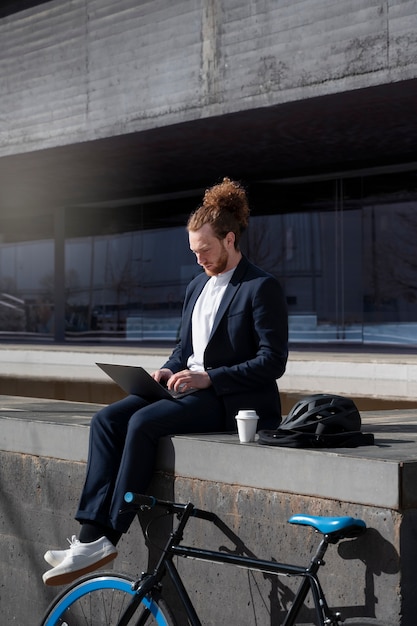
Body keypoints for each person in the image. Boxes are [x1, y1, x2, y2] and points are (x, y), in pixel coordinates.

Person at [42, 177, 288, 586]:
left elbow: (272, 362)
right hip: (187, 387)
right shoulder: (196, 285)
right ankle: (88, 536)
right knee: (107, 420)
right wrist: (168, 370)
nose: (199, 259)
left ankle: (109, 534)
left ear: (229, 239)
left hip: (231, 399)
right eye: (193, 251)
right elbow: (183, 349)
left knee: (142, 423)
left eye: (205, 250)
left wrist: (209, 378)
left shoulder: (261, 287)